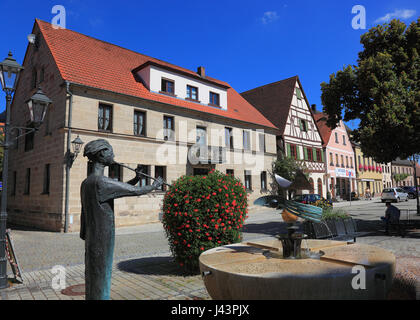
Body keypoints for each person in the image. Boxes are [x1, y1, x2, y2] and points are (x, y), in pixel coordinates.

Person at [80, 139, 163, 300]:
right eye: (111, 151)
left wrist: (136, 179)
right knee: (102, 275)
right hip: (103, 238)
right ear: (102, 153)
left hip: (91, 237)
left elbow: (116, 190)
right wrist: (155, 185)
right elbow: (134, 191)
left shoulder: (87, 182)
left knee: (94, 274)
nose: (114, 155)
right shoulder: (101, 182)